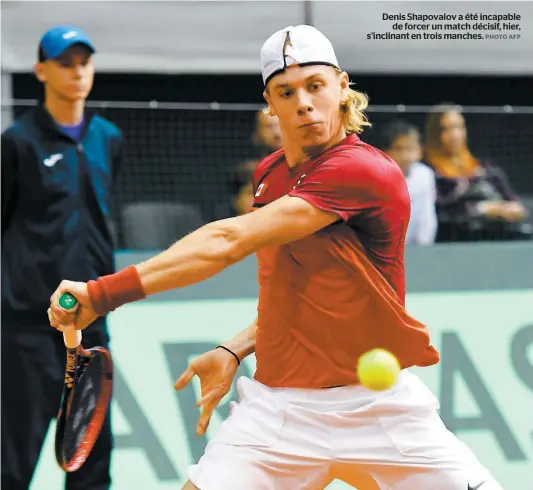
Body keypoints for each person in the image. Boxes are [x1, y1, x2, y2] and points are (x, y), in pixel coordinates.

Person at [48, 25, 501, 490]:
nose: (303, 101)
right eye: (287, 91)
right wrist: (235, 349)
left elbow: (227, 240)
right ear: (270, 103)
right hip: (279, 412)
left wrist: (103, 293)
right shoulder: (270, 174)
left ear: (342, 87)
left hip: (377, 407)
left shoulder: (363, 170)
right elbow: (295, 291)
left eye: (315, 86)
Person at [1, 25, 122, 490]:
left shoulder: (108, 137)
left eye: (83, 63)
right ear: (40, 71)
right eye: (65, 63)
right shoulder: (16, 143)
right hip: (28, 325)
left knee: (91, 453)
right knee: (13, 453)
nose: (77, 72)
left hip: (92, 317)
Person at [424, 103, 530, 242]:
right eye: (446, 129)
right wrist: (483, 209)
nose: (455, 135)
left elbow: (514, 203)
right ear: (434, 134)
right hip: (454, 243)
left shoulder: (487, 169)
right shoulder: (427, 172)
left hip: (498, 239)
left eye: (459, 127)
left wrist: (513, 210)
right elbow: (439, 214)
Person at [382, 120, 438, 245]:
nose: (405, 155)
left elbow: (427, 214)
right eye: (399, 149)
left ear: (420, 150)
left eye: (410, 148)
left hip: (419, 246)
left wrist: (425, 245)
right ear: (386, 152)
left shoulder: (425, 174)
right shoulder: (380, 176)